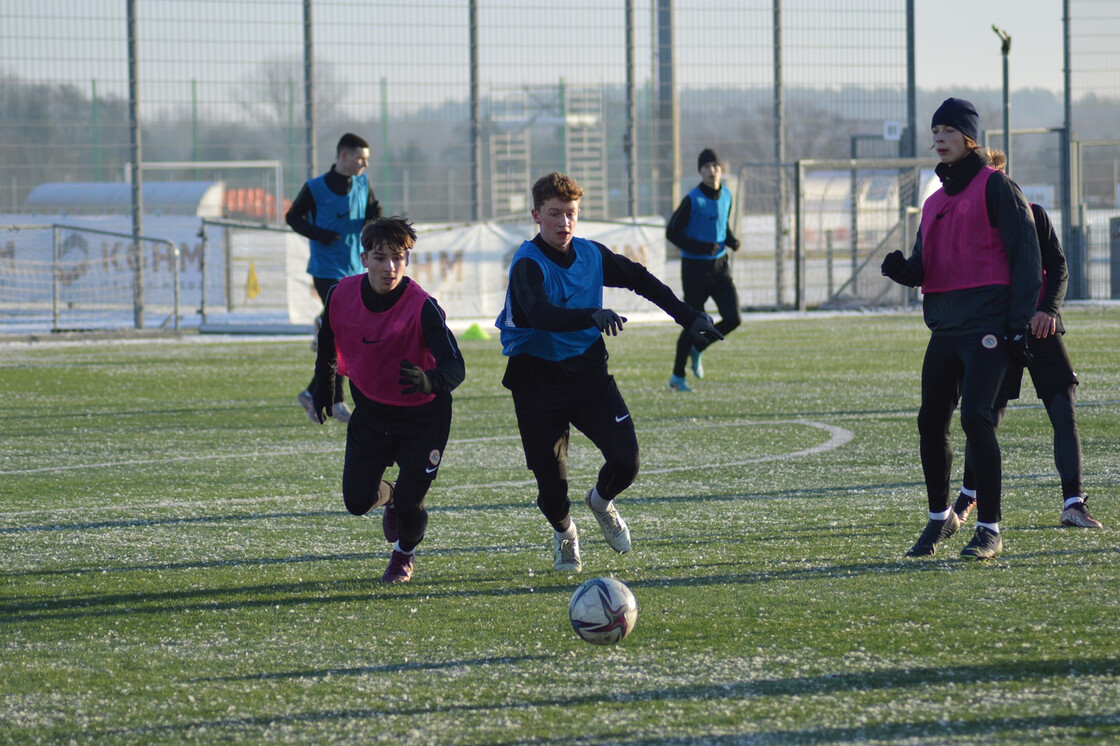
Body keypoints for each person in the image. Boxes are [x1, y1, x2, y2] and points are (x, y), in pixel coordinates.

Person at [495, 172, 722, 572]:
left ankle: (600, 502)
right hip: (536, 381)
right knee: (551, 492)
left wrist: (687, 316)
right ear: (536, 215)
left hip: (587, 375)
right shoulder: (526, 264)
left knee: (627, 461)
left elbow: (639, 279)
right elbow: (540, 314)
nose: (564, 223)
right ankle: (565, 535)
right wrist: (591, 314)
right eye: (554, 214)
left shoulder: (591, 254)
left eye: (571, 214)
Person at [881, 97, 1042, 560]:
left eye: (948, 131)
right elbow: (924, 268)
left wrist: (1018, 326)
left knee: (975, 417)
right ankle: (938, 523)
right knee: (930, 422)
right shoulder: (931, 204)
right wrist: (902, 270)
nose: (938, 139)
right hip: (945, 328)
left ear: (969, 138)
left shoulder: (997, 187)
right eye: (934, 132)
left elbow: (1027, 259)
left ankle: (989, 528)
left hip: (989, 326)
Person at [310, 216, 465, 583]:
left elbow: (456, 365)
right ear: (364, 259)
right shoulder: (340, 295)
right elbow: (328, 342)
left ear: (407, 261)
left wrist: (431, 380)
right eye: (380, 257)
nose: (389, 267)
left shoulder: (422, 306)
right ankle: (391, 496)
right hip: (373, 414)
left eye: (397, 257)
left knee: (413, 505)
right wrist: (326, 387)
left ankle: (403, 556)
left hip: (423, 419)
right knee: (357, 501)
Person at [952, 171, 1101, 529]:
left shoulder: (1033, 214)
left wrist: (1047, 310)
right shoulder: (972, 224)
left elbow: (1058, 265)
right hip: (998, 332)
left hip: (1040, 327)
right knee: (988, 416)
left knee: (1063, 409)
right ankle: (967, 496)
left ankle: (1074, 504)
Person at [287, 133, 383, 424]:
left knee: (346, 337)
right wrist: (322, 235)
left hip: (355, 266)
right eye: (360, 158)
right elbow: (293, 217)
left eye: (366, 158)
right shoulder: (315, 188)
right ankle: (337, 400)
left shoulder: (363, 184)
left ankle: (311, 392)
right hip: (326, 269)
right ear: (344, 156)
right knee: (342, 332)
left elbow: (373, 213)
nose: (365, 163)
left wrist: (378, 227)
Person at [665, 148, 742, 392]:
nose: (712, 171)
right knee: (692, 322)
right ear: (700, 171)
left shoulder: (728, 195)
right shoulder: (692, 199)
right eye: (706, 167)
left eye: (715, 166)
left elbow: (722, 226)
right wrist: (700, 247)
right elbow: (672, 232)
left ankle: (699, 348)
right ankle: (677, 376)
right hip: (695, 270)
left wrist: (730, 240)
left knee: (733, 318)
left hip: (720, 267)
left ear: (722, 169)